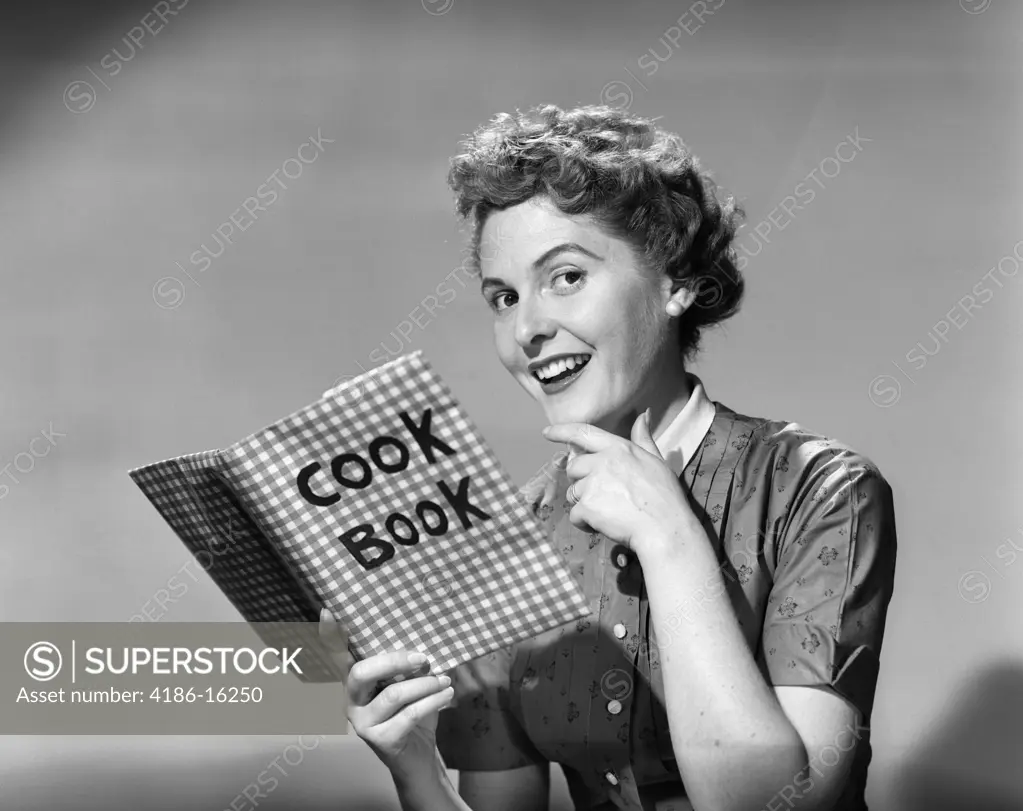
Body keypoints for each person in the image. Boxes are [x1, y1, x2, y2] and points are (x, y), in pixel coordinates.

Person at [329, 103, 898, 811]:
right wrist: (414, 766)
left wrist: (671, 542)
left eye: (565, 276)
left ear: (675, 282)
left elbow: (773, 804)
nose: (528, 328)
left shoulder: (820, 489)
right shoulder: (508, 541)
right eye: (502, 297)